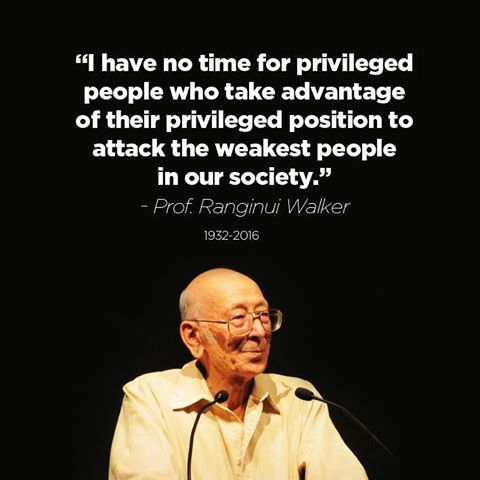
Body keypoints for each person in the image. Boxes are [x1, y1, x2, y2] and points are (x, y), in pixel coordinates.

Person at [109, 267, 368, 479]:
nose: (259, 332)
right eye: (238, 319)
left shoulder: (298, 399)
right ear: (193, 336)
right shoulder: (151, 397)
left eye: (263, 315)